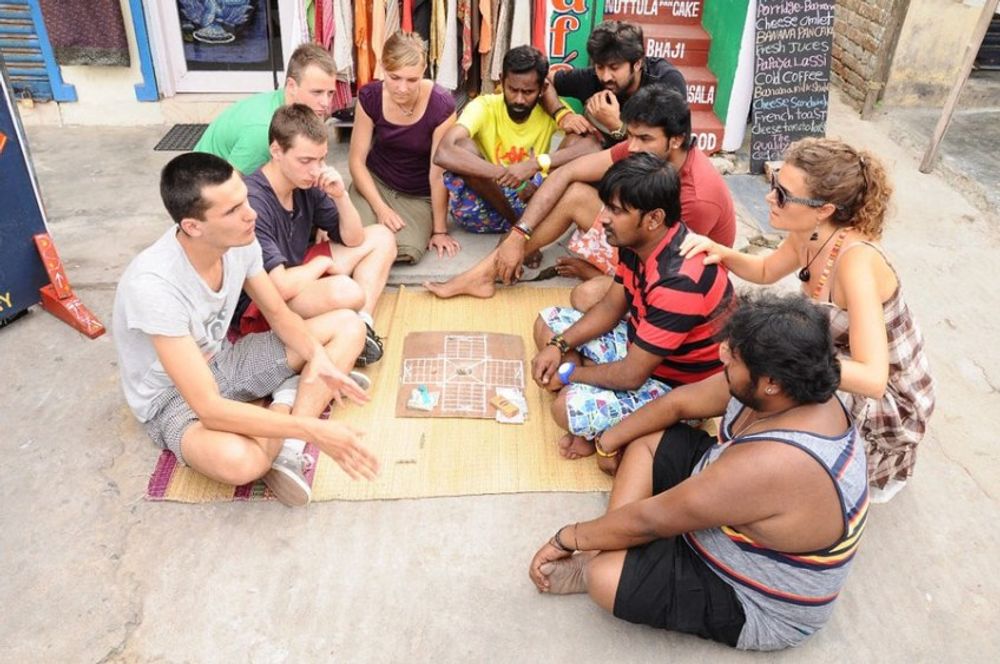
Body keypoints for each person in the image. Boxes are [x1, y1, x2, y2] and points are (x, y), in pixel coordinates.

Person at [529, 292, 869, 652]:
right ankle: (619, 546)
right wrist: (606, 442)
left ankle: (602, 559)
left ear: (771, 382)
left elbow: (651, 520)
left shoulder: (776, 461)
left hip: (752, 595)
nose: (722, 354)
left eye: (734, 355)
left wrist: (568, 538)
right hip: (730, 504)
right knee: (647, 440)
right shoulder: (786, 385)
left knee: (603, 577)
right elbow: (678, 403)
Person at [112, 153, 379, 508]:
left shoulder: (241, 240)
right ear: (193, 226)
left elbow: (279, 315)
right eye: (233, 210)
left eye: (246, 199)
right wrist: (313, 428)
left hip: (226, 361)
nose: (251, 214)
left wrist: (318, 357)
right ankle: (289, 396)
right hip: (171, 398)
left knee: (349, 325)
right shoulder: (154, 286)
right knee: (242, 462)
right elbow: (208, 407)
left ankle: (287, 440)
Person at [680, 138, 935, 502]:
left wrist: (782, 359)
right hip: (832, 359)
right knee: (757, 370)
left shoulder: (857, 262)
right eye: (774, 183)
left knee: (765, 376)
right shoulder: (809, 234)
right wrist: (720, 251)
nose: (770, 197)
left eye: (783, 195)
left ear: (824, 209)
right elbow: (766, 269)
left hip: (886, 398)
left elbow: (874, 379)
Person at [425, 86, 734, 304]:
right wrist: (518, 235)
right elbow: (567, 173)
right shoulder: (641, 150)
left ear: (676, 140)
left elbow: (667, 272)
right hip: (644, 236)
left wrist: (591, 271)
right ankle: (482, 274)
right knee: (574, 194)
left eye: (645, 139)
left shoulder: (697, 197)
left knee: (586, 297)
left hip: (676, 277)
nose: (633, 147)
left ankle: (596, 273)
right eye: (630, 136)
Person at [530, 153, 733, 460]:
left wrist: (570, 373)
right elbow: (611, 307)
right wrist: (559, 345)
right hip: (641, 351)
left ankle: (624, 415)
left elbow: (631, 376)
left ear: (653, 218)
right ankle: (590, 383)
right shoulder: (639, 241)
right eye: (606, 207)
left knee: (565, 408)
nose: (604, 219)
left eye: (616, 210)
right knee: (547, 324)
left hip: (676, 387)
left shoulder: (679, 283)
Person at [234, 104, 396, 367]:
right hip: (264, 302)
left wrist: (341, 196)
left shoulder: (308, 181)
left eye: (321, 159)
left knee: (382, 237)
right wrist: (322, 263)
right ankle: (343, 331)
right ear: (276, 151)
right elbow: (279, 287)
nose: (316, 170)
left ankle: (363, 327)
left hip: (297, 271)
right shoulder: (254, 202)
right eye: (305, 161)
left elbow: (354, 239)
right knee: (348, 291)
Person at [432, 45, 593, 236]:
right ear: (501, 80)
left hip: (534, 200)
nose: (519, 99)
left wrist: (536, 164)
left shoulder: (551, 112)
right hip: (484, 206)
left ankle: (520, 228)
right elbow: (443, 152)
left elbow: (592, 146)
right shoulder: (484, 106)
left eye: (528, 92)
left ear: (543, 89)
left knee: (576, 138)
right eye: (512, 89)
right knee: (462, 147)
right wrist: (507, 176)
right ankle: (518, 229)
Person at [348, 32, 459, 264]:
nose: (402, 88)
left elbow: (437, 173)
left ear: (424, 71)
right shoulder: (370, 97)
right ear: (383, 68)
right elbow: (356, 161)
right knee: (352, 235)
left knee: (407, 249)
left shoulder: (441, 105)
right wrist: (380, 208)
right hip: (375, 184)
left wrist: (439, 230)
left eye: (412, 80)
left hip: (417, 195)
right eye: (394, 77)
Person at [194, 43, 338, 175]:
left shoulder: (288, 106)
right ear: (291, 86)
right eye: (317, 92)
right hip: (206, 184)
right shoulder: (264, 130)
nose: (326, 103)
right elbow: (235, 186)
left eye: (330, 93)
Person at [542, 20, 687, 150]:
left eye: (614, 68)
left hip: (648, 166)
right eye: (600, 66)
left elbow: (670, 148)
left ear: (637, 64)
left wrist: (617, 126)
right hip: (601, 158)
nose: (605, 77)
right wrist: (562, 115)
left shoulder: (665, 81)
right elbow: (541, 79)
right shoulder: (592, 77)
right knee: (576, 140)